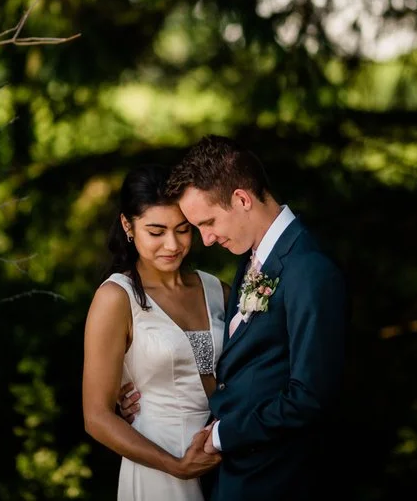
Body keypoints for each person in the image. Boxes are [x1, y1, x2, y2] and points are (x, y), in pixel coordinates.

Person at [165, 134, 347, 501]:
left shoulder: (308, 270)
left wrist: (222, 436)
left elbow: (310, 398)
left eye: (208, 222)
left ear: (242, 199)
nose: (206, 239)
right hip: (240, 478)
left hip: (279, 480)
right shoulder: (250, 262)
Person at [82, 163, 230, 501]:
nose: (172, 244)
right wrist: (175, 465)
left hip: (228, 462)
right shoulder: (116, 298)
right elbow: (96, 417)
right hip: (160, 464)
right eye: (156, 231)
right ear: (127, 225)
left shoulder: (216, 290)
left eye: (182, 229)